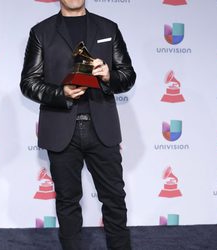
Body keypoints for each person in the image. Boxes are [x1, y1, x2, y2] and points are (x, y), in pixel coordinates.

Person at [20, 0, 136, 249]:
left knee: (114, 200)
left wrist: (107, 75)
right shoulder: (41, 32)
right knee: (67, 202)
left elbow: (127, 76)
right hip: (61, 129)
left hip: (102, 127)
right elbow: (29, 83)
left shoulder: (108, 28)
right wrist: (61, 93)